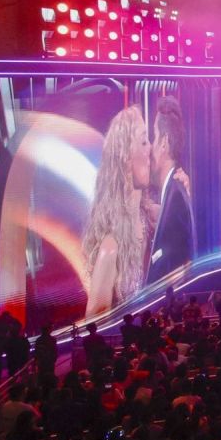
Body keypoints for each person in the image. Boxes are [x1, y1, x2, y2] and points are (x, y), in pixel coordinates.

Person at [81, 106, 151, 316]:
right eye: (144, 141)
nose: (150, 148)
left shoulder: (150, 220)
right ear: (125, 158)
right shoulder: (111, 248)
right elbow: (94, 325)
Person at [145, 97, 194, 284]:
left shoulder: (176, 199)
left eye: (153, 137)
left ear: (164, 143)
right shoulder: (171, 195)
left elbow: (177, 275)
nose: (150, 147)